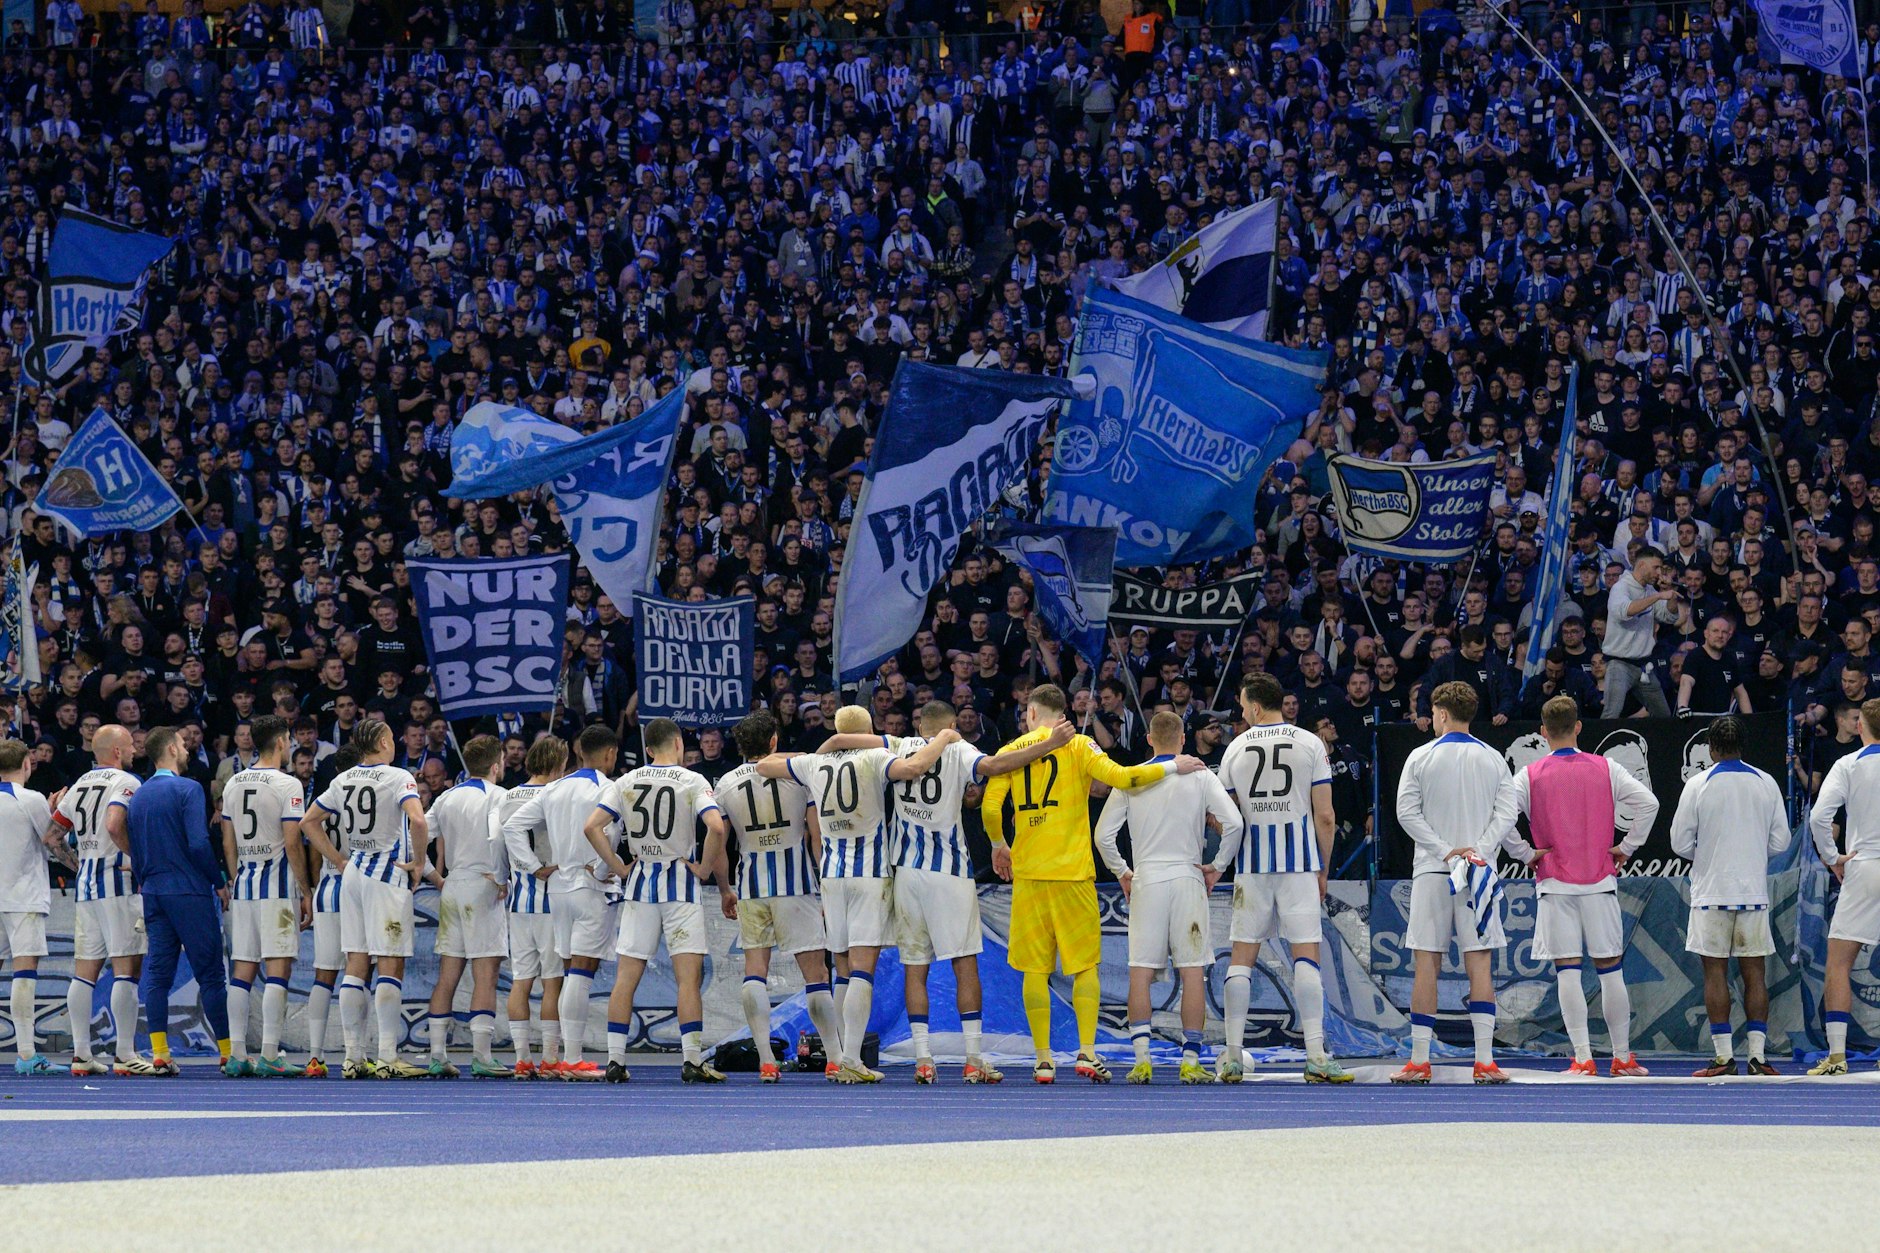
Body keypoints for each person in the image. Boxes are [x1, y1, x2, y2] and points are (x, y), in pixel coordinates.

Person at [825, 699, 1073, 1083]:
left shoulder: (898, 746)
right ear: (952, 724)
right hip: (949, 872)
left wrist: (828, 744)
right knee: (964, 964)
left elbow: (850, 739)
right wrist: (1049, 744)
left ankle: (923, 1059)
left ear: (918, 724)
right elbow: (992, 767)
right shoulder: (957, 748)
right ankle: (974, 1059)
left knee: (915, 966)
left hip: (906, 871)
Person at [981, 683, 1201, 1084]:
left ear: (1030, 714)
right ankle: (1086, 1052)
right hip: (1072, 874)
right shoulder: (1079, 745)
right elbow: (1123, 778)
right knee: (1084, 967)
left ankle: (1043, 1059)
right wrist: (1173, 765)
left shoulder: (1009, 751)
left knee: (1034, 969)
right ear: (1061, 711)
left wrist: (999, 844)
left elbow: (991, 807)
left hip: (1029, 874)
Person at [756, 707, 956, 1083]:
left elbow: (764, 766)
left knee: (843, 968)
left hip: (831, 876)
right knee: (863, 967)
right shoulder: (875, 755)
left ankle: (844, 1055)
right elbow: (914, 768)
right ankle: (850, 1058)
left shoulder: (813, 764)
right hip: (869, 873)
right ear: (868, 732)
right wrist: (944, 738)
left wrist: (816, 750)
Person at [1488, 696, 1659, 1077]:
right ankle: (1622, 1057)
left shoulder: (1528, 775)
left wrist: (1525, 853)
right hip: (1599, 881)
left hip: (1556, 885)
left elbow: (1500, 819)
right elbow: (1649, 803)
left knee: (1567, 971)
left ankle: (1583, 1057)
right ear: (1579, 726)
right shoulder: (1607, 767)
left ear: (1543, 732)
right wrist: (1626, 847)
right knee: (1610, 971)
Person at [1211, 673, 1350, 1084]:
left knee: (1242, 958)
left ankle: (1233, 1056)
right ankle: (1315, 1056)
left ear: (1255, 707)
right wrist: (1323, 868)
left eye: (1241, 704)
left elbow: (1220, 815)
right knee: (1306, 956)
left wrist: (1235, 842)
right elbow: (1325, 816)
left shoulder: (1236, 746)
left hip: (1253, 866)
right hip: (1299, 865)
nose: (1240, 711)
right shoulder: (1310, 742)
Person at [1095, 710, 1242, 1085]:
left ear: (1148, 739)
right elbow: (1235, 824)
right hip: (1188, 876)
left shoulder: (1134, 779)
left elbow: (1102, 836)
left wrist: (1123, 873)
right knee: (1192, 973)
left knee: (1140, 973)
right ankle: (1190, 1061)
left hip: (1147, 879)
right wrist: (1218, 865)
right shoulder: (1199, 775)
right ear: (1182, 740)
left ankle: (1142, 1060)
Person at [585, 717, 734, 1084]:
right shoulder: (693, 780)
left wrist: (619, 866)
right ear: (679, 744)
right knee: (688, 978)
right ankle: (691, 1059)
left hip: (639, 884)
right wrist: (703, 868)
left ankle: (616, 1060)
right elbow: (716, 826)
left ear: (648, 749)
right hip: (680, 884)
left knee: (626, 976)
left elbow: (591, 827)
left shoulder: (626, 780)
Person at [1390, 682, 1511, 1085]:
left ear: (1440, 713)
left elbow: (1406, 813)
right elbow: (1506, 814)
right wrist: (1477, 851)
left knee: (1427, 961)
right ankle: (1484, 1061)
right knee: (1480, 963)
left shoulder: (1420, 756)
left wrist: (1446, 851)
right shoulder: (1493, 758)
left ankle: (1420, 1061)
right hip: (1477, 870)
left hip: (1434, 869)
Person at [715, 711, 843, 1083]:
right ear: (773, 741)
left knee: (755, 971)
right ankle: (835, 1057)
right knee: (816, 975)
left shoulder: (725, 783)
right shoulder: (795, 773)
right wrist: (825, 880)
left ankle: (767, 1061)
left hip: (752, 884)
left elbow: (719, 839)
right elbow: (815, 835)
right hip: (795, 883)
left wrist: (725, 887)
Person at [301, 721, 429, 1079]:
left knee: (355, 963)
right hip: (386, 873)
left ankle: (353, 1056)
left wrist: (337, 859)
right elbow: (418, 821)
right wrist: (419, 862)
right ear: (385, 741)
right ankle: (388, 1056)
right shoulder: (398, 776)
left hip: (353, 873)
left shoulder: (343, 779)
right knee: (390, 962)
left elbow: (310, 821)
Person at [1668, 716, 1789, 1076]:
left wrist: (1706, 853)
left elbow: (1678, 842)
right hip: (1752, 890)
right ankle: (1758, 1056)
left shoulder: (1698, 784)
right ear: (1742, 745)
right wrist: (1751, 852)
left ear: (1711, 747)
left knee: (1715, 974)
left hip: (1711, 892)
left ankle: (1723, 1058)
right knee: (1755, 973)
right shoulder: (1765, 782)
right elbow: (1781, 842)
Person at [499, 724, 618, 1080]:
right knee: (579, 974)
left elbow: (511, 828)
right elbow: (608, 831)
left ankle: (564, 1058)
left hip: (556, 890)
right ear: (610, 754)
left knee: (567, 974)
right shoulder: (606, 787)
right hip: (587, 887)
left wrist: (533, 867)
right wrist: (602, 869)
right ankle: (570, 1058)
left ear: (579, 752)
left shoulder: (554, 788)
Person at [126, 725, 232, 1076]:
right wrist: (217, 881)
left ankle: (159, 1054)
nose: (187, 751)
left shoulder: (138, 795)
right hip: (188, 890)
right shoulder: (188, 788)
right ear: (171, 749)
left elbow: (135, 849)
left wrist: (145, 881)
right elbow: (199, 843)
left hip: (153, 891)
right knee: (212, 975)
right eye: (183, 746)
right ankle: (228, 1054)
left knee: (158, 974)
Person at [49, 724, 147, 1075]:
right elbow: (113, 824)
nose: (136, 749)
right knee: (127, 968)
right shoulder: (128, 783)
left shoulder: (78, 784)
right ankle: (125, 1053)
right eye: (131, 745)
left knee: (85, 971)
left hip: (87, 884)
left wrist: (78, 866)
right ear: (118, 751)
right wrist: (137, 861)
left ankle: (81, 1055)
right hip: (118, 883)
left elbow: (53, 836)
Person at [217, 714, 310, 1077]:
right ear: (283, 742)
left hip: (245, 886)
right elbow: (291, 840)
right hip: (275, 887)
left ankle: (238, 1053)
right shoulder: (288, 785)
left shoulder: (233, 782)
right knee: (278, 967)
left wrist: (238, 874)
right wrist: (305, 888)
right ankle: (270, 1052)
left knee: (242, 969)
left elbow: (228, 841)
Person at [424, 734, 512, 1079]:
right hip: (482, 884)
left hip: (453, 885)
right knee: (485, 974)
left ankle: (436, 1054)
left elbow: (417, 833)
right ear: (495, 764)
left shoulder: (447, 797)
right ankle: (482, 1055)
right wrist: (501, 877)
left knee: (448, 975)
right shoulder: (498, 796)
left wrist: (434, 875)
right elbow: (497, 836)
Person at [1806, 697, 1880, 1076]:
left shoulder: (1848, 764)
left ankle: (1836, 1056)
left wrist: (1833, 857)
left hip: (1864, 866)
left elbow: (1820, 815)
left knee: (1838, 962)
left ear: (1859, 727)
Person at [498, 735, 567, 1079]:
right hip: (550, 897)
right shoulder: (555, 794)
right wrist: (535, 865)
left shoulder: (508, 795)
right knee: (553, 982)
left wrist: (508, 875)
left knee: (521, 981)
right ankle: (551, 1058)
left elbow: (497, 843)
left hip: (518, 901)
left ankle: (522, 1058)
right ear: (557, 764)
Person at [301, 742, 359, 1078]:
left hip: (327, 887)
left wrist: (330, 864)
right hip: (357, 887)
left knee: (324, 974)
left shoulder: (324, 799)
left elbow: (309, 837)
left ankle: (315, 1055)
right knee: (358, 970)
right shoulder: (367, 794)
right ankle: (355, 1053)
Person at [0, 739, 57, 1074]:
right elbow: (53, 839)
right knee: (24, 973)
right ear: (27, 764)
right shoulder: (31, 799)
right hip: (23, 896)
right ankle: (25, 1054)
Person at [1602, 547, 1686, 718]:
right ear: (1641, 565)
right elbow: (1625, 612)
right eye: (1656, 567)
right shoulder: (1621, 587)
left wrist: (1671, 595)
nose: (1659, 573)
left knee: (1663, 716)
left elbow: (1668, 617)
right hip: (1619, 664)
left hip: (1643, 666)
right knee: (1611, 715)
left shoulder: (1649, 590)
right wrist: (1657, 597)